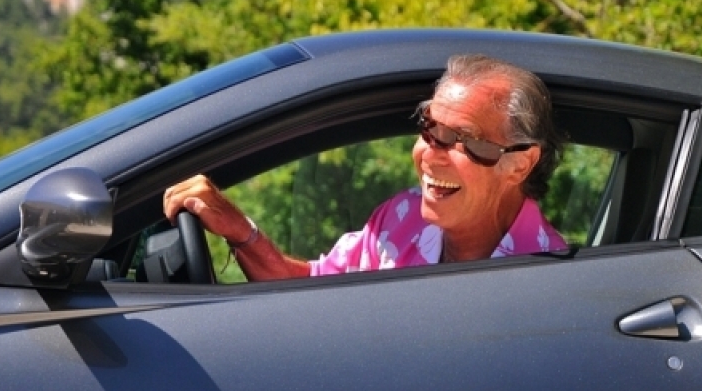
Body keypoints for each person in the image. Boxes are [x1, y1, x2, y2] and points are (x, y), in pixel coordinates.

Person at [163, 54, 569, 281]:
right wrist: (241, 232)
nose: (430, 153)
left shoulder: (544, 281)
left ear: (519, 164)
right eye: (429, 129)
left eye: (461, 138)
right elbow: (314, 292)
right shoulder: (403, 217)